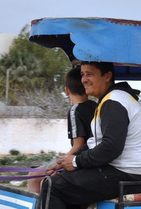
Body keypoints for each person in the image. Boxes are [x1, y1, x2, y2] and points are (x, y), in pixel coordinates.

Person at [40, 61, 141, 209]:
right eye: (82, 74)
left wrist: (76, 162)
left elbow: (111, 148)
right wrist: (66, 163)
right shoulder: (108, 101)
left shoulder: (114, 102)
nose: (84, 80)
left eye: (90, 74)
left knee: (53, 187)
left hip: (127, 175)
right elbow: (95, 145)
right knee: (61, 182)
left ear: (107, 76)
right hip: (119, 170)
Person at [27, 66, 97, 194]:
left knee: (34, 174)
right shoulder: (95, 106)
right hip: (91, 159)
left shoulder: (75, 110)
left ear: (67, 90)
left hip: (80, 161)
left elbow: (78, 145)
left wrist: (63, 161)